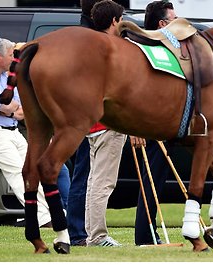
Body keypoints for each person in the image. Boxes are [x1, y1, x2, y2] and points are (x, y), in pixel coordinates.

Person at [0, 37, 70, 227]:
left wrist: (10, 109)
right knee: (17, 171)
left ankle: (51, 212)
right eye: (11, 55)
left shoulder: (7, 78)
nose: (15, 59)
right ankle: (43, 217)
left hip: (12, 131)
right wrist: (10, 109)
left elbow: (22, 108)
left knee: (35, 169)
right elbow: (6, 105)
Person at [130, 0, 177, 246]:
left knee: (156, 182)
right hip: (148, 125)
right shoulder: (145, 47)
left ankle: (150, 232)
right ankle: (145, 235)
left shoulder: (159, 46)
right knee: (149, 181)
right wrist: (135, 127)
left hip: (161, 122)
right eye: (174, 19)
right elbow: (136, 90)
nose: (178, 24)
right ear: (162, 24)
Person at [84, 0, 126, 247]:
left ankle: (94, 234)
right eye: (120, 19)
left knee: (94, 182)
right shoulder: (111, 48)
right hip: (109, 124)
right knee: (103, 182)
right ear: (113, 21)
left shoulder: (90, 46)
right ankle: (97, 236)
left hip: (94, 124)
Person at [67, 0, 103, 247]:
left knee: (85, 174)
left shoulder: (83, 35)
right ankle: (78, 231)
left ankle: (80, 230)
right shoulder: (89, 38)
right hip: (86, 116)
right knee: (84, 174)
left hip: (80, 114)